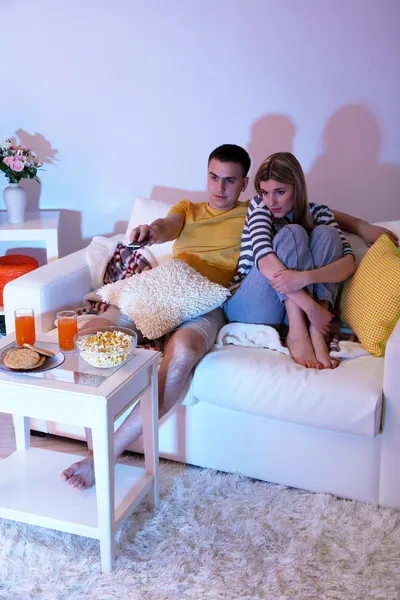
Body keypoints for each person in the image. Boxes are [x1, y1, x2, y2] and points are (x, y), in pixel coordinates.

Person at [61, 145, 398, 490]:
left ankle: (103, 456)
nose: (219, 188)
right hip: (163, 287)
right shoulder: (190, 209)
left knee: (184, 355)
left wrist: (364, 227)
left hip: (211, 301)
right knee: (89, 336)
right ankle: (97, 453)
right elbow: (166, 225)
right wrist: (151, 230)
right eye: (213, 177)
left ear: (243, 184)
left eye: (229, 181)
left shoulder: (255, 211)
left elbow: (317, 213)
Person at [225, 151, 354, 369]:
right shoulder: (260, 206)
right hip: (251, 303)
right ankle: (297, 331)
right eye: (265, 192)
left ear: (297, 188)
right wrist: (311, 308)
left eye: (280, 192)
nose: (271, 201)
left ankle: (316, 332)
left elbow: (348, 264)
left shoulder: (320, 212)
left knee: (327, 235)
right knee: (293, 232)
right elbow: (265, 260)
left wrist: (304, 277)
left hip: (294, 307)